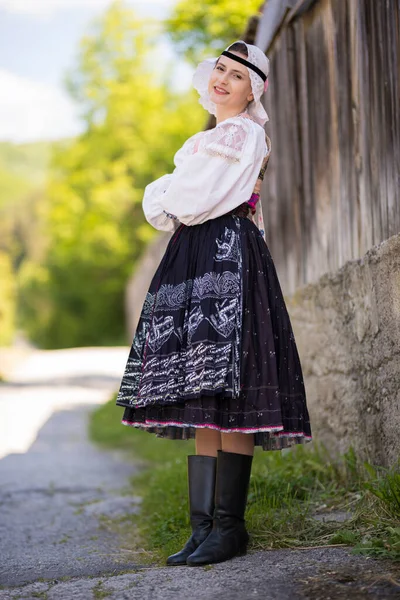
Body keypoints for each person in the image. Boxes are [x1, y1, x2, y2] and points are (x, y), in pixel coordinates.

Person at [116, 40, 312, 567]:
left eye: (237, 76)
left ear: (254, 91)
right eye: (219, 71)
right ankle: (201, 528)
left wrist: (168, 191)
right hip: (196, 253)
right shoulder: (205, 140)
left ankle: (230, 528)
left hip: (227, 253)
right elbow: (173, 201)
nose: (223, 80)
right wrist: (173, 193)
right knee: (202, 386)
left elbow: (184, 200)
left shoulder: (242, 133)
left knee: (232, 389)